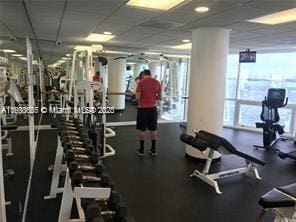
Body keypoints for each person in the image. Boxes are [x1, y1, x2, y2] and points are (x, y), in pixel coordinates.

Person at [135, 69, 162, 156]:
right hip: (153, 109)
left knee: (142, 129)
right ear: (150, 74)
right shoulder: (157, 82)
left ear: (143, 74)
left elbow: (137, 97)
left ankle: (142, 150)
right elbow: (160, 97)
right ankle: (153, 150)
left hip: (142, 109)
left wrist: (139, 96)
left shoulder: (141, 82)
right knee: (153, 130)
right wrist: (153, 97)